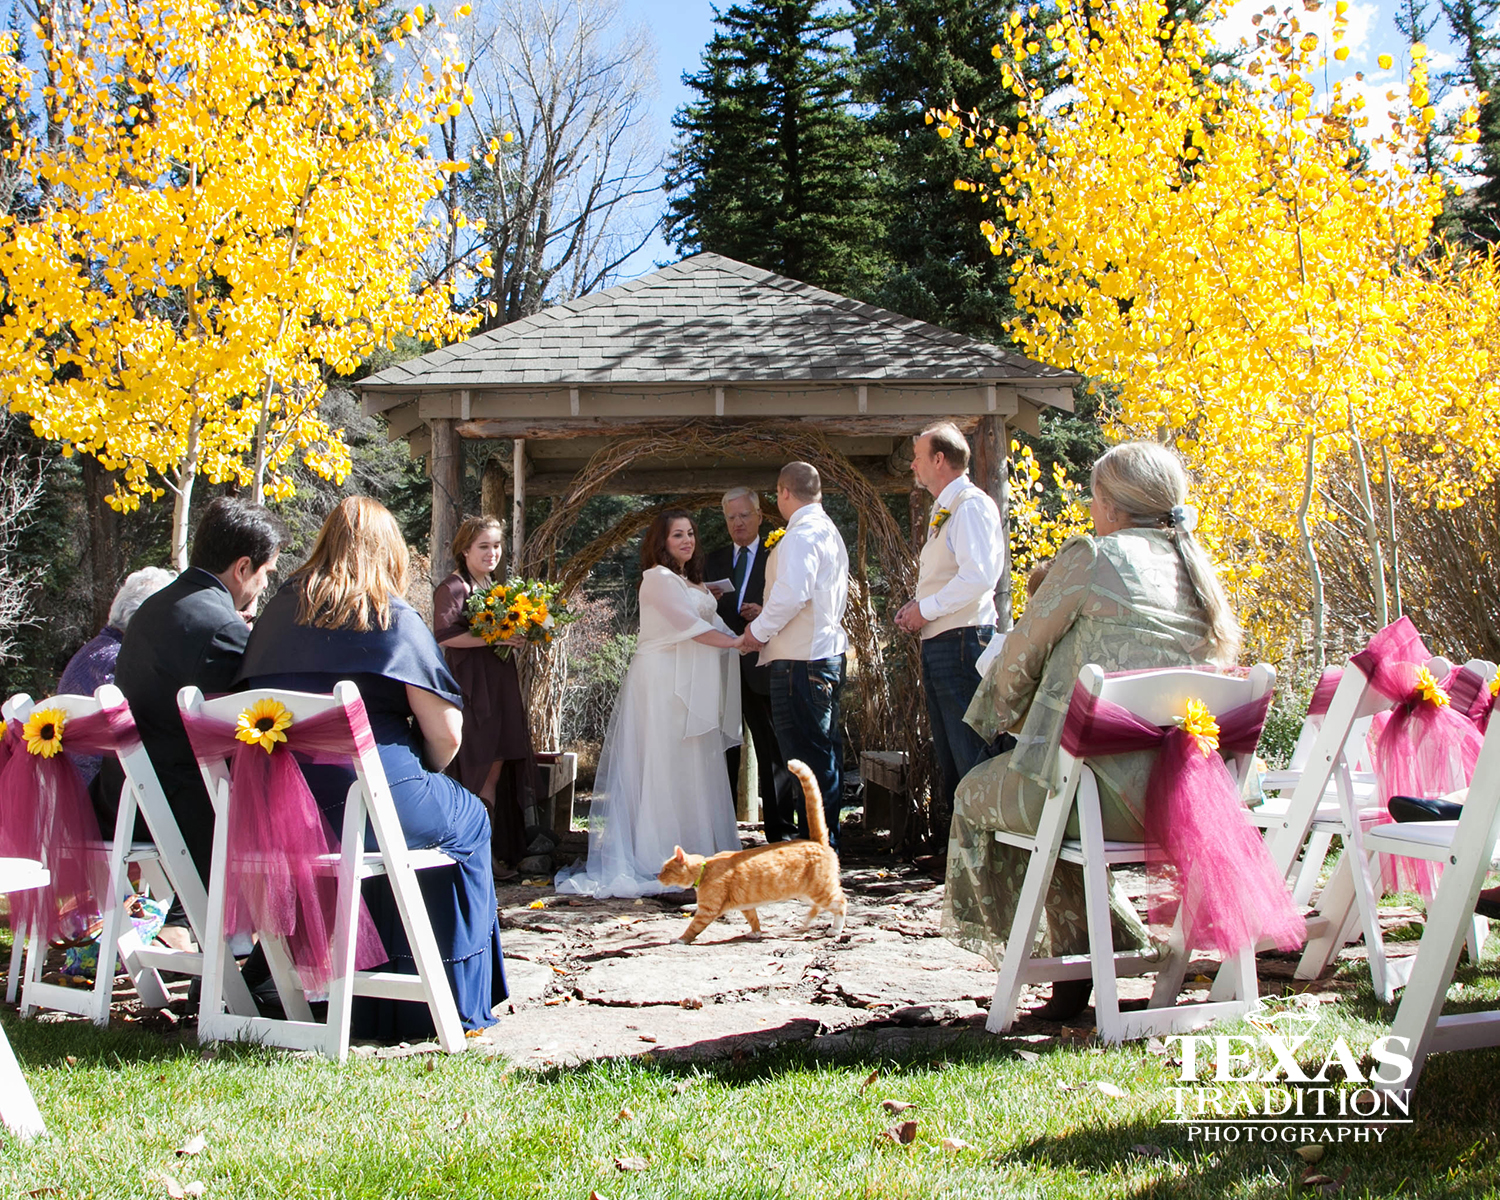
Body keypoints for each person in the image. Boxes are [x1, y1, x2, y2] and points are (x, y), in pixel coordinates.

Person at [941, 441, 1242, 1021]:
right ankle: (1093, 958)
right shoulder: (1193, 567)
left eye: (1093, 496)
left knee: (981, 792)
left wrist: (1001, 715)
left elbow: (1022, 652)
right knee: (1058, 789)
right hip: (1193, 800)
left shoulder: (1092, 557)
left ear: (1109, 504)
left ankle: (1065, 963)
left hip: (1103, 798)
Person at [237, 496, 507, 1037]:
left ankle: (350, 991)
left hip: (281, 807)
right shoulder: (390, 616)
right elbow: (447, 735)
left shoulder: (275, 615)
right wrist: (427, 771)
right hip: (376, 793)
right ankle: (444, 996)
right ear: (390, 553)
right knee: (469, 819)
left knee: (383, 827)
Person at [554, 510, 743, 898]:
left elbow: (710, 622)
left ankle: (695, 851)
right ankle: (657, 853)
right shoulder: (657, 578)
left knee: (690, 761)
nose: (687, 540)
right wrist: (737, 642)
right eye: (678, 535)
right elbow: (689, 626)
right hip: (662, 680)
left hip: (688, 678)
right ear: (662, 542)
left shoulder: (690, 580)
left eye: (690, 533)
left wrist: (745, 635)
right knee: (663, 759)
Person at [110, 498, 286, 880]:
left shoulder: (150, 609)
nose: (265, 583)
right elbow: (248, 728)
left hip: (125, 797)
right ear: (243, 568)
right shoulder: (222, 630)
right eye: (266, 572)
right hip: (187, 814)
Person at [894, 422, 1005, 826]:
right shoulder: (947, 508)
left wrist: (927, 608)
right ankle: (962, 850)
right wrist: (918, 606)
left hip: (963, 644)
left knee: (969, 755)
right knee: (952, 759)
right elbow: (953, 575)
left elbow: (979, 577)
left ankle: (985, 849)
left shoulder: (970, 506)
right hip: (945, 642)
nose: (913, 465)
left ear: (939, 459)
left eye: (918, 457)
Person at [741, 463, 851, 850]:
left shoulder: (802, 534)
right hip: (819, 656)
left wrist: (756, 633)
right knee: (822, 758)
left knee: (807, 763)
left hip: (802, 665)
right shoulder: (827, 529)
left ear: (784, 492)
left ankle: (816, 850)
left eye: (777, 494)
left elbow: (791, 596)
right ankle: (822, 846)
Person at [432, 515, 543, 882]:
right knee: (475, 767)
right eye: (484, 546)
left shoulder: (494, 587)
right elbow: (445, 636)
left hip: (500, 683)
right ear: (464, 549)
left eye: (496, 545)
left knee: (494, 768)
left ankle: (487, 852)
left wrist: (519, 634)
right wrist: (495, 638)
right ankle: (468, 854)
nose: (492, 552)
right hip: (472, 687)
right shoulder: (453, 587)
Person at [703, 487, 798, 842]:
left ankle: (780, 832)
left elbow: (794, 603)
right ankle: (722, 832)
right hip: (721, 667)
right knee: (722, 751)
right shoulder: (711, 560)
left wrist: (764, 613)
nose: (738, 523)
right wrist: (706, 598)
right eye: (731, 517)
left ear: (759, 516)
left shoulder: (779, 554)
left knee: (772, 749)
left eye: (744, 515)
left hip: (763, 664)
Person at [58, 566, 177, 785]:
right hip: (107, 791)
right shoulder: (121, 661)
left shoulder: (93, 651)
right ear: (147, 619)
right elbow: (149, 729)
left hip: (75, 785)